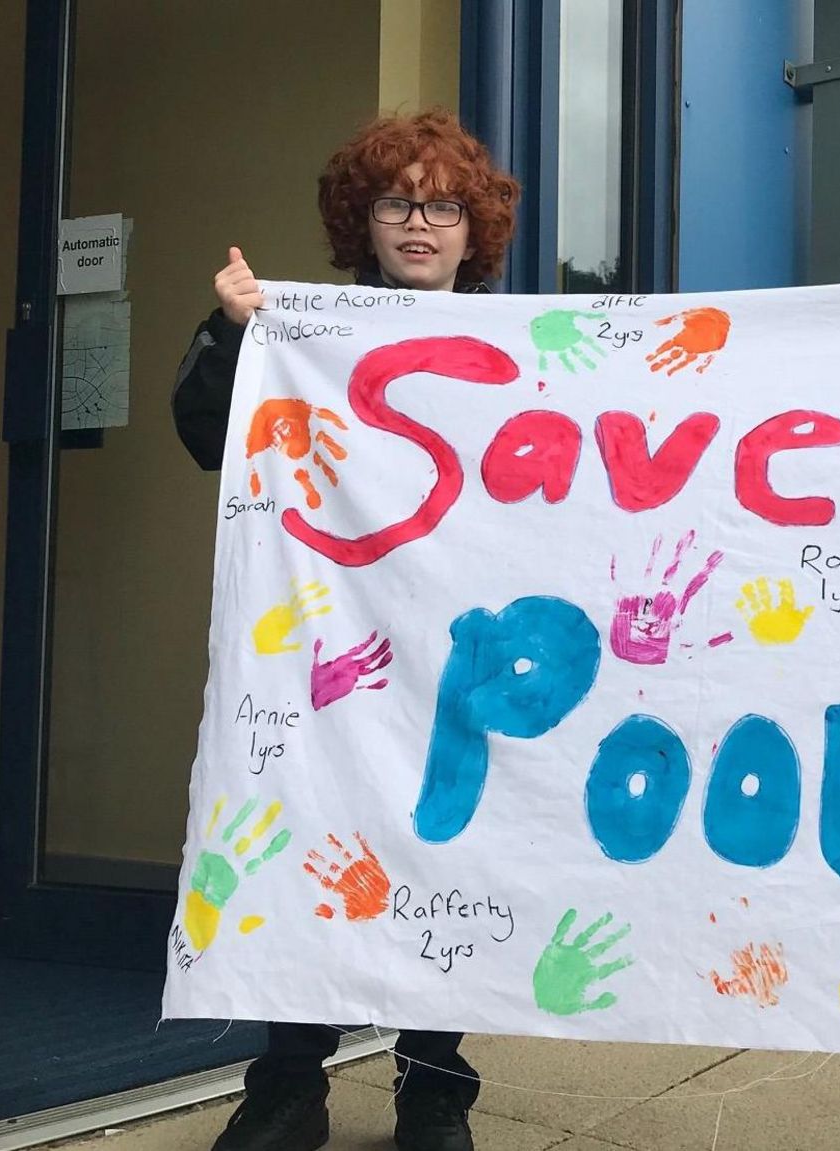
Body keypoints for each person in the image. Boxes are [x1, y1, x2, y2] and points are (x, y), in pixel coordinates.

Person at [170, 109, 520, 1151]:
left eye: (442, 204)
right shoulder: (299, 337)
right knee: (311, 831)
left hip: (460, 649)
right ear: (360, 221)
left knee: (446, 845)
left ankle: (434, 1084)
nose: (420, 223)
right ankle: (287, 1084)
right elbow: (205, 436)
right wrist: (229, 332)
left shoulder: (524, 346)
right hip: (329, 644)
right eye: (396, 201)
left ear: (473, 228)